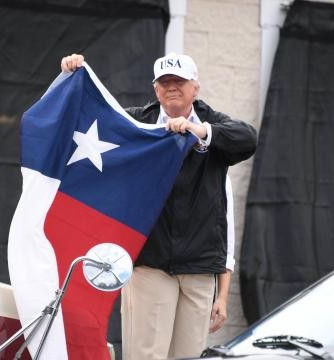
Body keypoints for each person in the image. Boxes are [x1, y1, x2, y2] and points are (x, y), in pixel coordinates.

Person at [61, 53, 257, 359]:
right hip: (149, 263)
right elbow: (86, 118)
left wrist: (200, 132)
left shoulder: (214, 125)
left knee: (189, 356)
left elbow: (248, 138)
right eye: (165, 82)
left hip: (199, 268)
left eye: (179, 82)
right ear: (156, 90)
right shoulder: (135, 123)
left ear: (196, 88)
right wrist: (72, 76)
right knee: (146, 354)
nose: (172, 88)